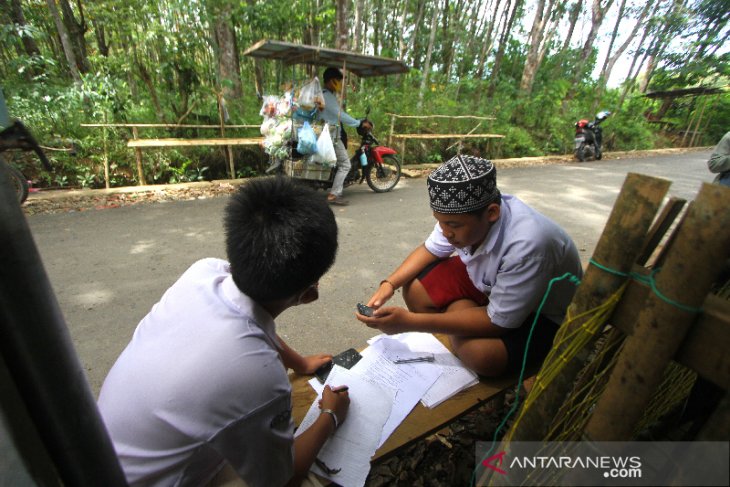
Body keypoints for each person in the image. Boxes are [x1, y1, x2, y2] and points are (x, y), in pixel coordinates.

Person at [98, 176, 350, 487]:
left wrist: (299, 364)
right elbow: (282, 477)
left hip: (103, 456)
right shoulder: (260, 378)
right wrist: (330, 415)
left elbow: (249, 318)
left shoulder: (203, 272)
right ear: (308, 295)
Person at [355, 155, 583, 377]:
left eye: (452, 225)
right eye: (440, 222)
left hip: (542, 313)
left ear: (492, 212)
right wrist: (389, 284)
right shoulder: (460, 219)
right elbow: (430, 249)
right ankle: (462, 321)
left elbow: (498, 323)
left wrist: (410, 323)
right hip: (492, 286)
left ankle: (461, 321)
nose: (446, 232)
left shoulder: (528, 245)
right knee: (415, 290)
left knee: (482, 356)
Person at [317, 67, 362, 206]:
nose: (340, 85)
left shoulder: (325, 95)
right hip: (331, 136)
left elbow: (338, 113)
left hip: (329, 134)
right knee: (345, 164)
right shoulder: (327, 96)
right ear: (331, 81)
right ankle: (333, 194)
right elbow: (339, 115)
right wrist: (358, 123)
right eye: (338, 81)